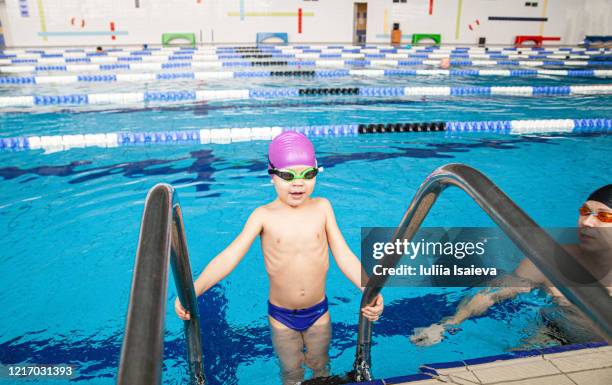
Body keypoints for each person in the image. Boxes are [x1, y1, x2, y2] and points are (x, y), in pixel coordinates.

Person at [175, 131, 384, 385]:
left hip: (319, 312)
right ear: (272, 175)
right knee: (291, 372)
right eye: (288, 175)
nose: (298, 183)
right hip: (281, 316)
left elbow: (343, 254)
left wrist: (370, 289)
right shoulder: (263, 216)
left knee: (321, 367)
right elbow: (231, 255)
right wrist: (193, 289)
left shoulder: (322, 208)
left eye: (307, 174)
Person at [410, 185, 612, 346]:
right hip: (553, 336)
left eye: (603, 216)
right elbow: (494, 291)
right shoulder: (553, 260)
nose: (587, 222)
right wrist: (448, 324)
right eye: (585, 212)